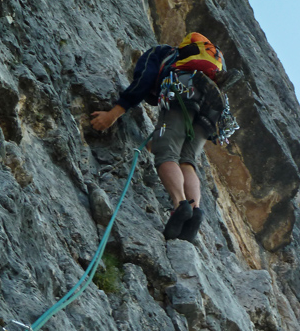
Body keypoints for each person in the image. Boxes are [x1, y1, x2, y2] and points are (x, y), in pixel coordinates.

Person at [91, 32, 227, 242]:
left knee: (166, 154)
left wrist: (113, 114)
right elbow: (179, 131)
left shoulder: (160, 53)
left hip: (184, 89)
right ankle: (194, 211)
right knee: (187, 161)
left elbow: (144, 81)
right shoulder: (205, 71)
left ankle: (180, 206)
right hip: (213, 105)